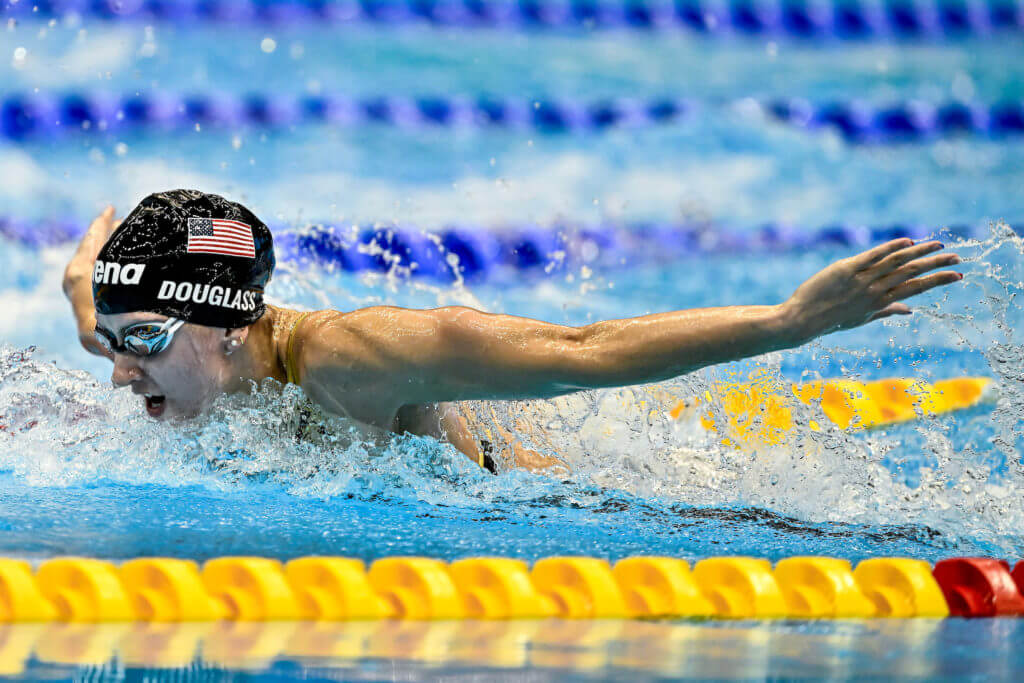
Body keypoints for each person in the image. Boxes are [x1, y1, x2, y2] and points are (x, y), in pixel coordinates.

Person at [63, 190, 964, 472]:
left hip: (567, 483)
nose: (118, 372)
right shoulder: (165, 345)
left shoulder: (355, 360)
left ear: (231, 325)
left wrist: (790, 321)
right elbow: (94, 293)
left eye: (138, 343)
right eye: (112, 339)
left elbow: (583, 352)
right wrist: (99, 298)